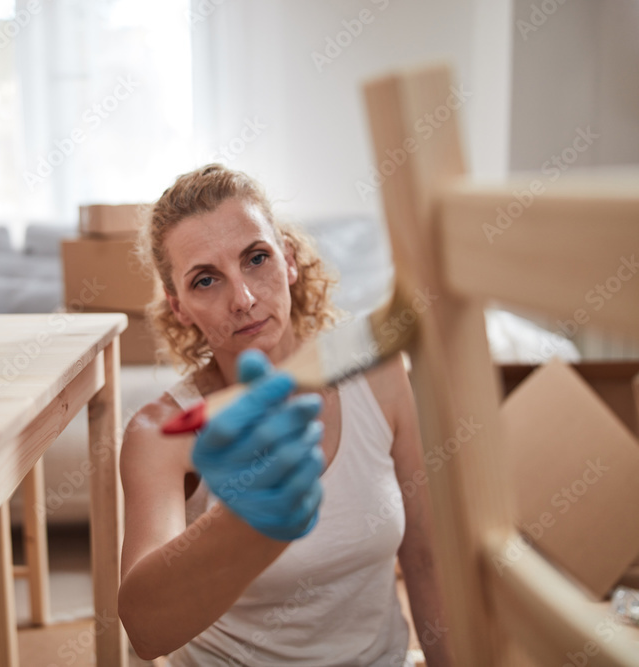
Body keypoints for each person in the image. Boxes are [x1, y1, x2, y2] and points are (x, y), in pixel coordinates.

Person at [118, 164, 453, 666]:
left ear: (289, 261)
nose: (244, 299)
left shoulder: (379, 374)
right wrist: (243, 523)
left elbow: (426, 560)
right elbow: (146, 632)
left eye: (257, 259)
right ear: (180, 307)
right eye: (206, 280)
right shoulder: (161, 433)